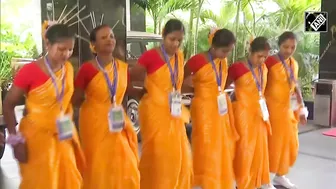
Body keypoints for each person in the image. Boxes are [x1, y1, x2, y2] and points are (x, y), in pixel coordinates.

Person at [3, 23, 85, 189]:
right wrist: (15, 140)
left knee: (68, 180)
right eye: (61, 49)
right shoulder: (29, 71)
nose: (66, 54)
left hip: (63, 137)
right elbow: (8, 104)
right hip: (36, 140)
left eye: (70, 49)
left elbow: (64, 101)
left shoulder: (68, 69)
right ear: (47, 44)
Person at [72, 24, 140, 188]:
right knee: (99, 166)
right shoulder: (87, 69)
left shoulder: (122, 67)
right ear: (94, 45)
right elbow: (76, 99)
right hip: (95, 124)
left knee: (126, 164)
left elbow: (124, 91)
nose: (109, 39)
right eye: (104, 37)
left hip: (119, 122)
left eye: (111, 36)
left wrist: (148, 90)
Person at [129, 19, 193, 189]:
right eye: (172, 39)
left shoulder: (179, 56)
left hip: (175, 111)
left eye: (179, 40)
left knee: (178, 153)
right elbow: (133, 77)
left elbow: (178, 82)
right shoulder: (150, 56)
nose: (176, 43)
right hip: (154, 113)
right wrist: (146, 94)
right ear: (164, 35)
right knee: (158, 155)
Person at [184, 28, 239, 189]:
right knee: (205, 144)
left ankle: (217, 178)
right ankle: (202, 180)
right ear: (213, 47)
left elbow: (222, 81)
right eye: (224, 51)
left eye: (229, 51)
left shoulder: (222, 60)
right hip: (203, 108)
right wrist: (191, 84)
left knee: (221, 144)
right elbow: (181, 80)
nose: (226, 55)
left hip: (220, 107)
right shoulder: (197, 60)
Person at [226, 37, 275, 189]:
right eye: (259, 56)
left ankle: (254, 183)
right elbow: (222, 86)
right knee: (244, 151)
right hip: (243, 114)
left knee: (259, 151)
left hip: (259, 115)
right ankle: (241, 183)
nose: (262, 60)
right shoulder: (237, 67)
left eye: (265, 57)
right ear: (250, 52)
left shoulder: (264, 69)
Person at [264, 31, 308, 188]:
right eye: (286, 47)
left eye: (293, 47)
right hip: (272, 109)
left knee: (290, 143)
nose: (289, 50)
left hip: (288, 110)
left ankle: (279, 175)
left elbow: (295, 85)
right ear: (279, 45)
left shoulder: (293, 63)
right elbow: (260, 83)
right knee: (275, 144)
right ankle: (267, 179)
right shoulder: (269, 62)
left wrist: (301, 106)